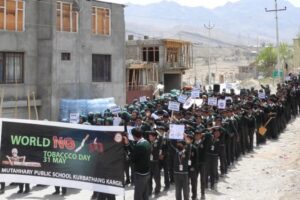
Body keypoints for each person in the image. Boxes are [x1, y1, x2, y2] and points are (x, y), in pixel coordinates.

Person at [124, 128, 151, 200]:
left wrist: (127, 146)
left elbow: (132, 158)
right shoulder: (146, 142)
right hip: (146, 172)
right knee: (145, 193)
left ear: (134, 136)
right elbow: (136, 152)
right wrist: (128, 144)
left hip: (140, 174)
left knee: (138, 195)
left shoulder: (140, 146)